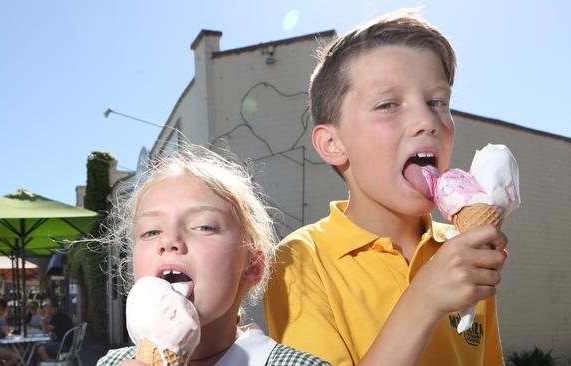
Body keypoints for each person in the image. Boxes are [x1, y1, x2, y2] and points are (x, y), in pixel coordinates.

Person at [263, 9, 508, 366]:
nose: (427, 121)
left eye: (437, 102)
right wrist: (424, 300)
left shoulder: (460, 247)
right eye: (388, 104)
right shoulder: (299, 260)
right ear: (333, 144)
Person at [97, 144, 329, 365]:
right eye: (151, 231)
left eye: (203, 226)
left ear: (253, 266)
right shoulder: (110, 363)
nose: (168, 240)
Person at [37, 296, 74, 361]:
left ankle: (50, 364)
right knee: (40, 344)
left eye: (44, 305)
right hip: (65, 343)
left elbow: (46, 330)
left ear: (50, 306)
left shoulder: (58, 315)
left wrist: (42, 317)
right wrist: (45, 317)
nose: (43, 308)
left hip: (64, 345)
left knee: (40, 348)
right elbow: (47, 327)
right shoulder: (58, 313)